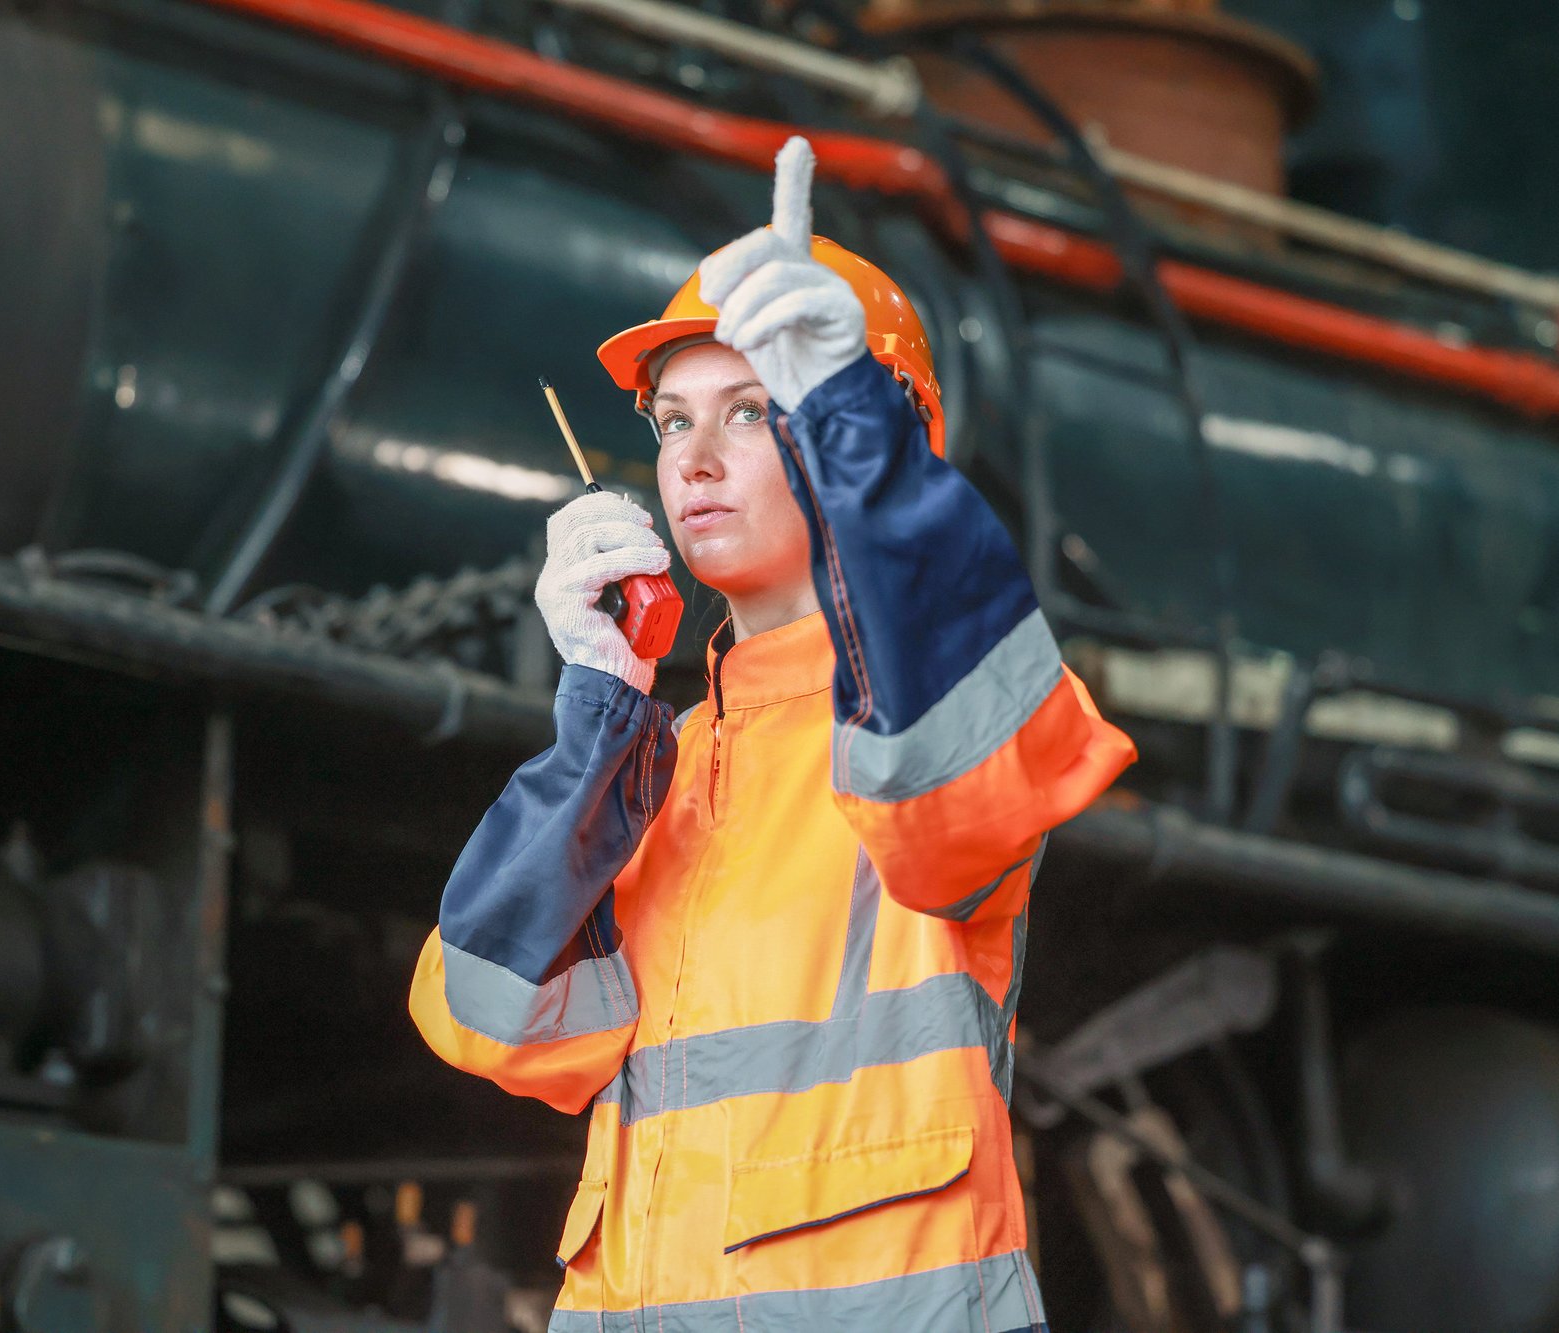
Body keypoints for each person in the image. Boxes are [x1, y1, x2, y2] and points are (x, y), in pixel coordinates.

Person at [410, 137, 1136, 1331]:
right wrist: (596, 719)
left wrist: (858, 435)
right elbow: (489, 1022)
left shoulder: (938, 710)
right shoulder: (661, 766)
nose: (690, 459)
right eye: (671, 419)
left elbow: (949, 788)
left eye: (750, 411)